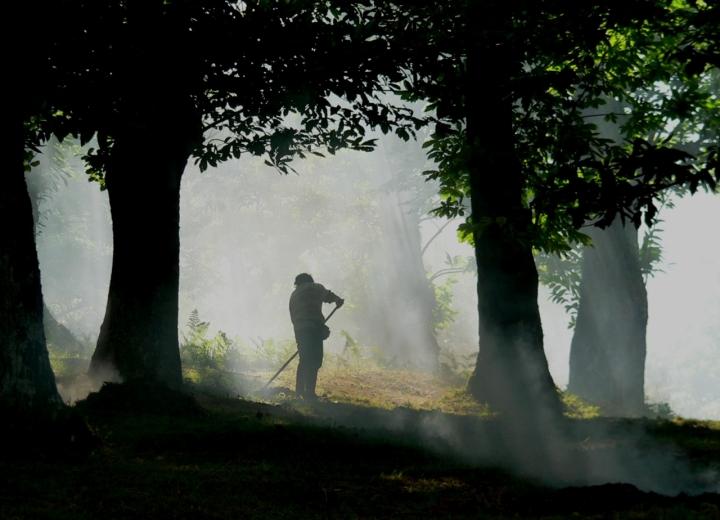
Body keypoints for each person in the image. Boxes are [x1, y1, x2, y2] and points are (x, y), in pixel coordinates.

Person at [289, 273, 344, 400]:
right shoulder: (314, 287)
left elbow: (292, 316)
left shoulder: (294, 295)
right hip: (313, 327)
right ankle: (309, 393)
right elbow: (327, 295)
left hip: (300, 329)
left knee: (304, 359)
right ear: (310, 280)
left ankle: (299, 391)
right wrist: (338, 300)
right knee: (315, 359)